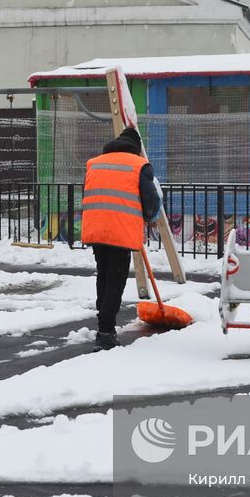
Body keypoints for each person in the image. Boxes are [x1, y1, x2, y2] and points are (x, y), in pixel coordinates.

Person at [81, 126, 161, 349]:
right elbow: (152, 201)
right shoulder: (138, 165)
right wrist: (149, 215)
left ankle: (103, 323)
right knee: (115, 280)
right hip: (120, 231)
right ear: (136, 147)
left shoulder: (94, 163)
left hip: (97, 228)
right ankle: (106, 332)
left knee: (104, 276)